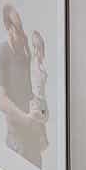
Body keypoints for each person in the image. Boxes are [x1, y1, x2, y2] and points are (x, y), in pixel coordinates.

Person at [0, 3, 42, 168]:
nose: (22, 32)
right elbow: (1, 101)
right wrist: (25, 118)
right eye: (18, 27)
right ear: (8, 28)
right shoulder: (2, 52)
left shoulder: (26, 55)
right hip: (16, 138)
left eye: (22, 27)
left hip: (33, 138)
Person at [29, 29, 50, 157]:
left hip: (41, 101)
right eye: (35, 47)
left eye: (39, 48)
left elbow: (42, 91)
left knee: (40, 141)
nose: (37, 52)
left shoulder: (41, 67)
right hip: (35, 101)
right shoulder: (32, 65)